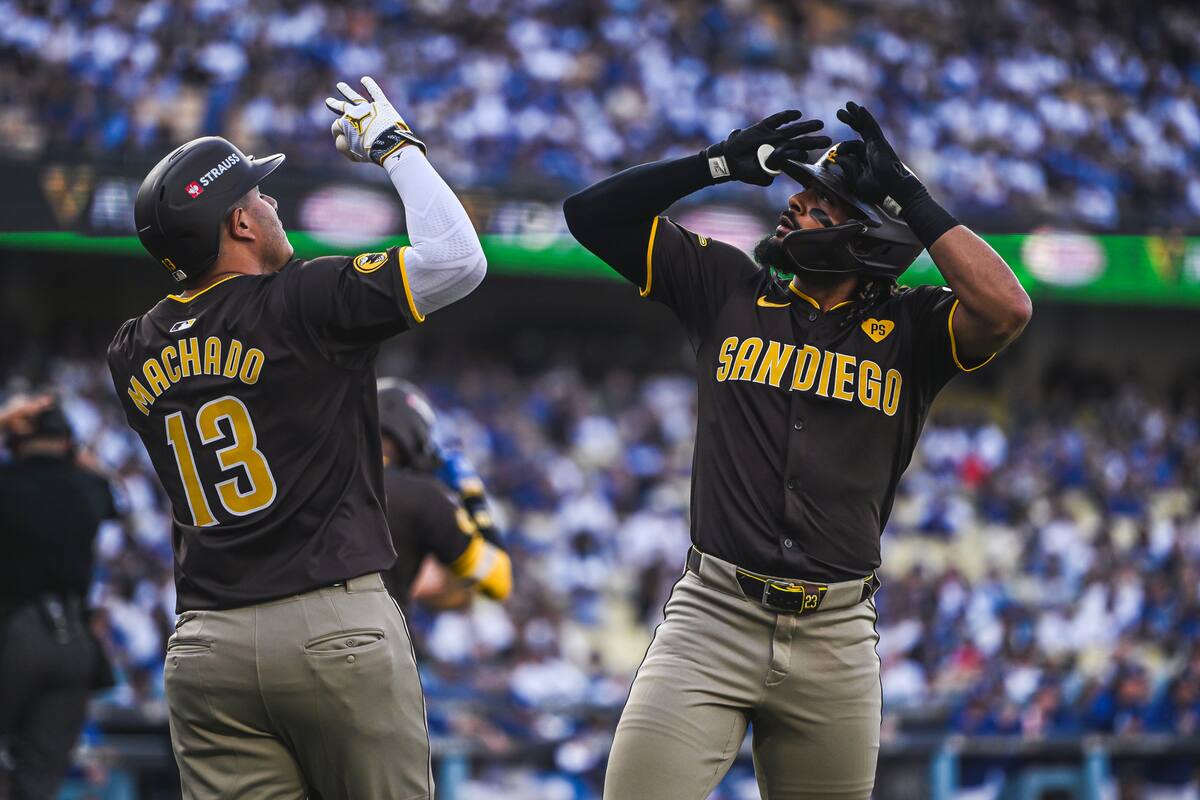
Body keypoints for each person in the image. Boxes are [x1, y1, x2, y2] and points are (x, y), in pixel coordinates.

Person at [563, 103, 1032, 799]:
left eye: (820, 205)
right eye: (801, 196)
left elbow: (1007, 309)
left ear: (867, 235)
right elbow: (591, 218)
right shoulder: (727, 289)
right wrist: (714, 164)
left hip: (836, 635)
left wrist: (910, 194)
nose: (796, 206)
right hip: (713, 615)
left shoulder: (914, 328)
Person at [106, 76, 485, 799]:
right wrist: (397, 150)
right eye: (258, 196)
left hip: (205, 646)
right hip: (329, 627)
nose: (273, 204)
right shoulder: (303, 299)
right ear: (239, 226)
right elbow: (458, 261)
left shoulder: (130, 350)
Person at [0, 396, 117, 800]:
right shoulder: (89, 488)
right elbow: (108, 487)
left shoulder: (7, 482)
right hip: (74, 645)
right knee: (36, 785)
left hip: (12, 635)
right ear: (67, 443)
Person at [375, 377, 511, 607]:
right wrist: (473, 498)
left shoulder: (314, 475)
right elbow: (500, 582)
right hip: (373, 635)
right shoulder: (423, 497)